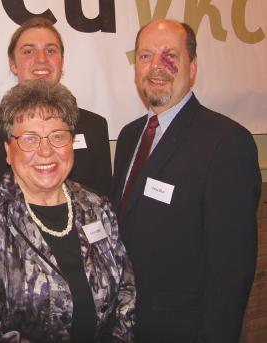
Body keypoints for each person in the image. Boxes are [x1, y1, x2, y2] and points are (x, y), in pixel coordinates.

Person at [0, 79, 135, 342]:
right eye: (30, 139)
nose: (46, 151)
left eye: (58, 136)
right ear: (8, 151)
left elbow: (126, 297)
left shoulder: (97, 206)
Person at [110, 19, 261, 343]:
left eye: (170, 55)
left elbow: (230, 274)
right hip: (125, 327)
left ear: (192, 67)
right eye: (145, 56)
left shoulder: (226, 143)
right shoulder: (129, 137)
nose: (156, 67)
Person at [0, 16, 112, 199]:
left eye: (51, 50)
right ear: (13, 64)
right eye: (29, 51)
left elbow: (103, 202)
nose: (41, 59)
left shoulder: (95, 127)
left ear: (62, 62)